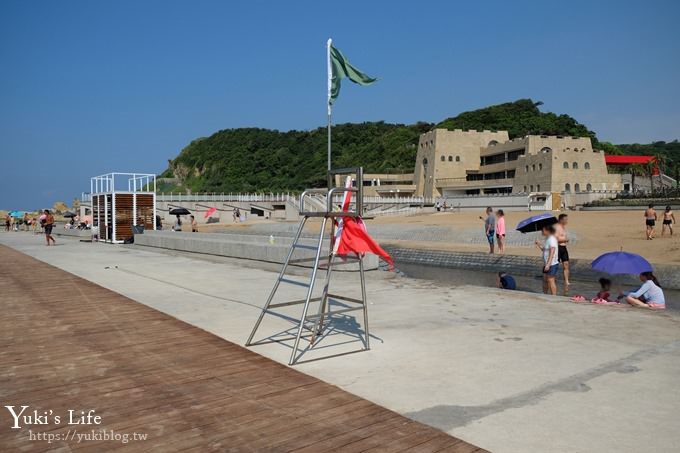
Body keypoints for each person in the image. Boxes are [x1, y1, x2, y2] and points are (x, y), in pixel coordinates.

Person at [535, 224, 558, 295]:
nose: (541, 232)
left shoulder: (552, 239)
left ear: (547, 231)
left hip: (551, 264)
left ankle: (554, 296)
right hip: (546, 263)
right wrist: (539, 244)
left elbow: (552, 251)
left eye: (543, 230)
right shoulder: (548, 239)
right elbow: (545, 250)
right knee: (545, 280)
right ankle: (545, 294)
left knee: (551, 280)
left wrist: (548, 264)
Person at [554, 213, 570, 295]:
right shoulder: (557, 227)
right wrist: (565, 240)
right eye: (565, 219)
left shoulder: (563, 227)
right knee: (555, 264)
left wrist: (565, 241)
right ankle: (553, 278)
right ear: (561, 220)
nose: (567, 221)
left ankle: (566, 281)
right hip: (558, 248)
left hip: (564, 247)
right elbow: (556, 239)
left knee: (566, 264)